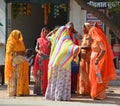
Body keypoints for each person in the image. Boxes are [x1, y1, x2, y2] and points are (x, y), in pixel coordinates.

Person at [45, 25, 81, 101]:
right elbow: (76, 48)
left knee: (54, 80)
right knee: (62, 81)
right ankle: (60, 96)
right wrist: (74, 56)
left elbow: (47, 37)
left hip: (54, 63)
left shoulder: (56, 39)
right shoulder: (67, 41)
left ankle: (51, 96)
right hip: (64, 65)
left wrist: (54, 31)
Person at [88, 23, 117, 100]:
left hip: (97, 62)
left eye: (91, 33)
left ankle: (99, 95)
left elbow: (103, 50)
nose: (90, 34)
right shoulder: (94, 41)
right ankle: (95, 93)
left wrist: (98, 59)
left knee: (98, 78)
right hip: (93, 61)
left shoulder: (98, 40)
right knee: (93, 77)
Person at [4, 29, 29, 97]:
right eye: (17, 35)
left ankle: (20, 91)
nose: (18, 36)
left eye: (19, 35)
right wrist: (18, 53)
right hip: (13, 63)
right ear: (13, 35)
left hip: (20, 64)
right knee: (13, 78)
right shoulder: (10, 43)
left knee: (19, 76)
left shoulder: (21, 43)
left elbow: (23, 51)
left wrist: (24, 53)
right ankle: (12, 92)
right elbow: (9, 53)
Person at [32, 27, 50, 95]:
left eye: (47, 32)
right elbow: (36, 48)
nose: (45, 33)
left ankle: (45, 90)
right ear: (42, 32)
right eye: (44, 32)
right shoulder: (39, 40)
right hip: (40, 59)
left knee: (46, 74)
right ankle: (38, 90)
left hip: (47, 58)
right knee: (39, 74)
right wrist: (39, 52)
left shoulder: (50, 41)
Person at [66, 22, 82, 94]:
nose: (70, 28)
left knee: (75, 71)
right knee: (68, 72)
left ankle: (73, 88)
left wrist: (76, 31)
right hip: (67, 55)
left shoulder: (74, 34)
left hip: (75, 54)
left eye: (72, 27)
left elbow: (81, 37)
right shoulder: (65, 35)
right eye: (69, 27)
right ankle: (68, 88)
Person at [77, 23, 92, 95]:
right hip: (82, 57)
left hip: (87, 58)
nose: (82, 29)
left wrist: (80, 47)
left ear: (87, 28)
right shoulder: (84, 36)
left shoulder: (89, 36)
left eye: (84, 28)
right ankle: (82, 90)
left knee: (86, 73)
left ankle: (87, 90)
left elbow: (89, 47)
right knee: (82, 73)